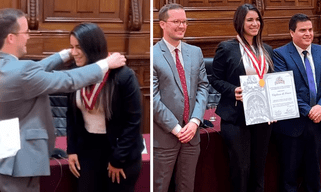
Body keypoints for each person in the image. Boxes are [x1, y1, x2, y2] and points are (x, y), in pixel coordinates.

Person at [0, 8, 126, 192]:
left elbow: (32, 71)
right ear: (11, 38)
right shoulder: (21, 72)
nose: (28, 37)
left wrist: (65, 54)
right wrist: (105, 64)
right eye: (25, 32)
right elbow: (68, 80)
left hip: (1, 147)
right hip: (20, 156)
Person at [66, 23, 144, 192]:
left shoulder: (123, 75)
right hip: (88, 149)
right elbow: (71, 116)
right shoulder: (74, 72)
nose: (73, 53)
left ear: (92, 47)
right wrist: (71, 149)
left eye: (78, 47)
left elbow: (134, 121)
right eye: (71, 47)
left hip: (120, 150)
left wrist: (118, 160)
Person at [210, 4, 274, 192]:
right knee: (241, 169)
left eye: (257, 20)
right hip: (236, 118)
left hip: (263, 118)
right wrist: (232, 90)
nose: (255, 24)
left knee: (258, 169)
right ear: (240, 22)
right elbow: (214, 78)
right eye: (250, 20)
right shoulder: (227, 48)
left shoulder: (267, 50)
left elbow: (271, 82)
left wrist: (276, 106)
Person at [153, 3, 209, 192]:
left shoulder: (195, 52)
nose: (182, 26)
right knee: (159, 187)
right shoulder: (152, 55)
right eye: (176, 21)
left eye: (184, 22)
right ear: (162, 24)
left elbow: (203, 87)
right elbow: (153, 100)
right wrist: (177, 129)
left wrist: (194, 122)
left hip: (192, 135)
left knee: (187, 187)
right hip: (165, 137)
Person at [273, 13, 321, 192]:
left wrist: (320, 107)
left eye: (310, 30)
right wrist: (309, 110)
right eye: (303, 30)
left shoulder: (320, 51)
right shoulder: (280, 54)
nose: (308, 34)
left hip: (317, 123)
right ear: (292, 33)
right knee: (289, 176)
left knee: (314, 174)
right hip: (292, 125)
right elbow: (285, 91)